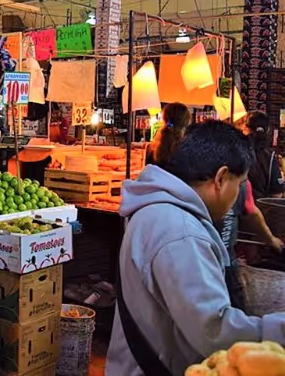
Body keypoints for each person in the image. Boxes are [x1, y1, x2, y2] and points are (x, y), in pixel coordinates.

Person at [106, 121, 285, 376]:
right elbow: (214, 332)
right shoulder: (179, 231)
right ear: (221, 178)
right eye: (240, 183)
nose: (237, 195)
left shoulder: (158, 211)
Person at [244, 110, 285, 200]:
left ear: (245, 127)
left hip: (232, 209)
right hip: (260, 209)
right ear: (267, 130)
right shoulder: (269, 156)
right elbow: (277, 194)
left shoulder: (235, 149)